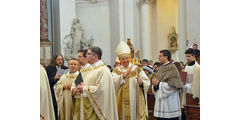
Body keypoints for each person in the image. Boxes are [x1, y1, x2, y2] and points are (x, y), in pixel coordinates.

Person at [72, 46, 118, 120]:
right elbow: (78, 82)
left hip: (97, 110)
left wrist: (84, 89)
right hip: (87, 106)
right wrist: (75, 88)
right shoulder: (88, 69)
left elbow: (102, 90)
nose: (86, 55)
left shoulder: (103, 70)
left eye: (88, 54)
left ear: (95, 56)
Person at [112, 41, 150, 120]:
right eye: (123, 59)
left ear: (130, 58)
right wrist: (122, 76)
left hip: (134, 100)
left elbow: (147, 81)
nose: (125, 60)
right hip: (121, 101)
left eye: (127, 58)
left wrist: (141, 83)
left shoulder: (137, 69)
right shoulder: (116, 70)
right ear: (119, 59)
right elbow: (112, 82)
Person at [152, 50, 183, 120]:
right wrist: (154, 84)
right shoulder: (161, 68)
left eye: (160, 56)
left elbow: (173, 86)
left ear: (166, 57)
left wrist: (159, 84)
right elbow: (156, 81)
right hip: (161, 102)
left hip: (170, 103)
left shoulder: (172, 68)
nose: (158, 57)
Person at [45, 54, 68, 120]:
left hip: (63, 91)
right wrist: (54, 78)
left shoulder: (65, 68)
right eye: (58, 59)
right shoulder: (49, 69)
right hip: (53, 93)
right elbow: (46, 81)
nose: (60, 61)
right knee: (55, 109)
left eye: (61, 59)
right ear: (54, 60)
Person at [72, 49, 91, 120]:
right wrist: (73, 89)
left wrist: (83, 88)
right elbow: (76, 82)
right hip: (79, 100)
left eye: (80, 56)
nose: (77, 58)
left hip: (87, 102)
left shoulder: (91, 69)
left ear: (86, 57)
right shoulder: (82, 70)